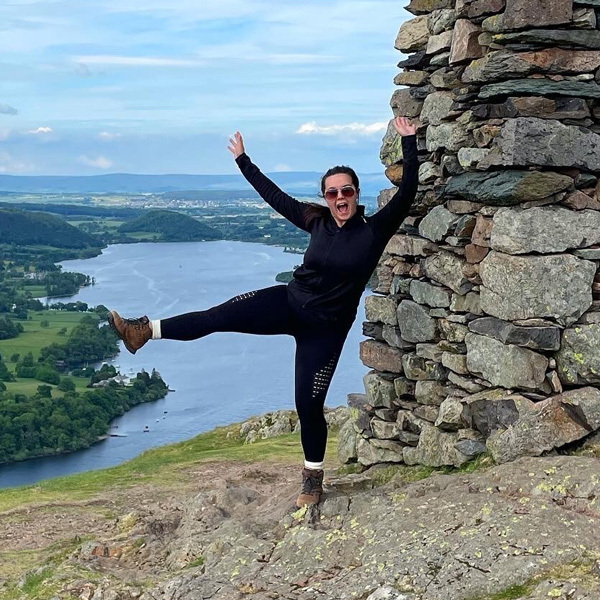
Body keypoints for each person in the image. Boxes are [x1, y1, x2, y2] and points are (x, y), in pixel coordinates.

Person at [109, 116, 418, 507]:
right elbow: (275, 197)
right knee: (216, 317)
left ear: (357, 194)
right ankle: (141, 332)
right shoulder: (316, 221)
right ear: (325, 197)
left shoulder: (374, 231)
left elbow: (408, 191)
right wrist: (243, 161)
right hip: (287, 303)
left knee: (308, 406)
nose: (340, 198)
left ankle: (312, 478)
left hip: (324, 331)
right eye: (332, 193)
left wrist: (409, 142)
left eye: (347, 191)